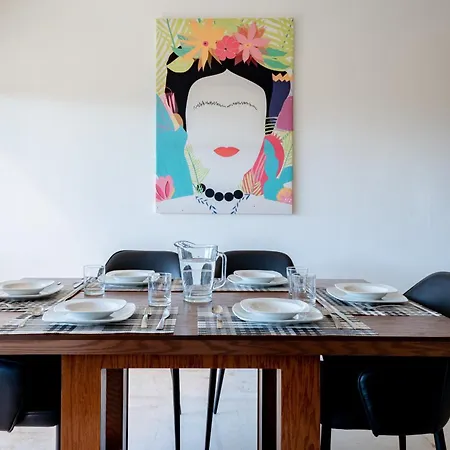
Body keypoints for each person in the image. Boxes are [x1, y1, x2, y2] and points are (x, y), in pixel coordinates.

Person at [156, 21, 293, 214]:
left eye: (244, 111)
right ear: (181, 119)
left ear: (266, 123)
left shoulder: (274, 208)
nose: (226, 127)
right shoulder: (171, 208)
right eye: (207, 110)